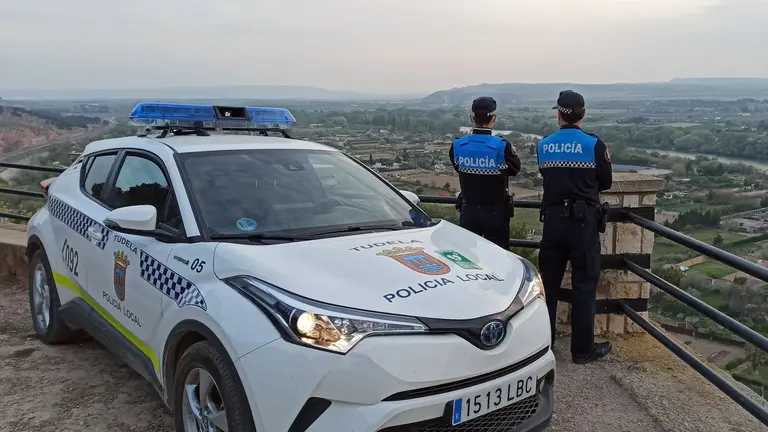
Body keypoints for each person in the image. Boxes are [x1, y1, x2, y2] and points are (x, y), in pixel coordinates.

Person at [537, 90, 613, 364]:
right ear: (583, 113)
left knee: (548, 285)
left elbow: (546, 175)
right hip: (583, 225)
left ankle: (542, 344)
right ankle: (582, 349)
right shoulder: (594, 145)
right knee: (584, 284)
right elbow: (606, 182)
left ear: (558, 114)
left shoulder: (544, 145)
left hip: (553, 224)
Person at [449, 96, 521, 249]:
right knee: (498, 257)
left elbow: (458, 168)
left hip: (468, 211)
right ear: (493, 118)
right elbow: (514, 170)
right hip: (496, 214)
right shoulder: (502, 146)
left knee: (467, 257)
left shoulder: (458, 145)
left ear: (471, 118)